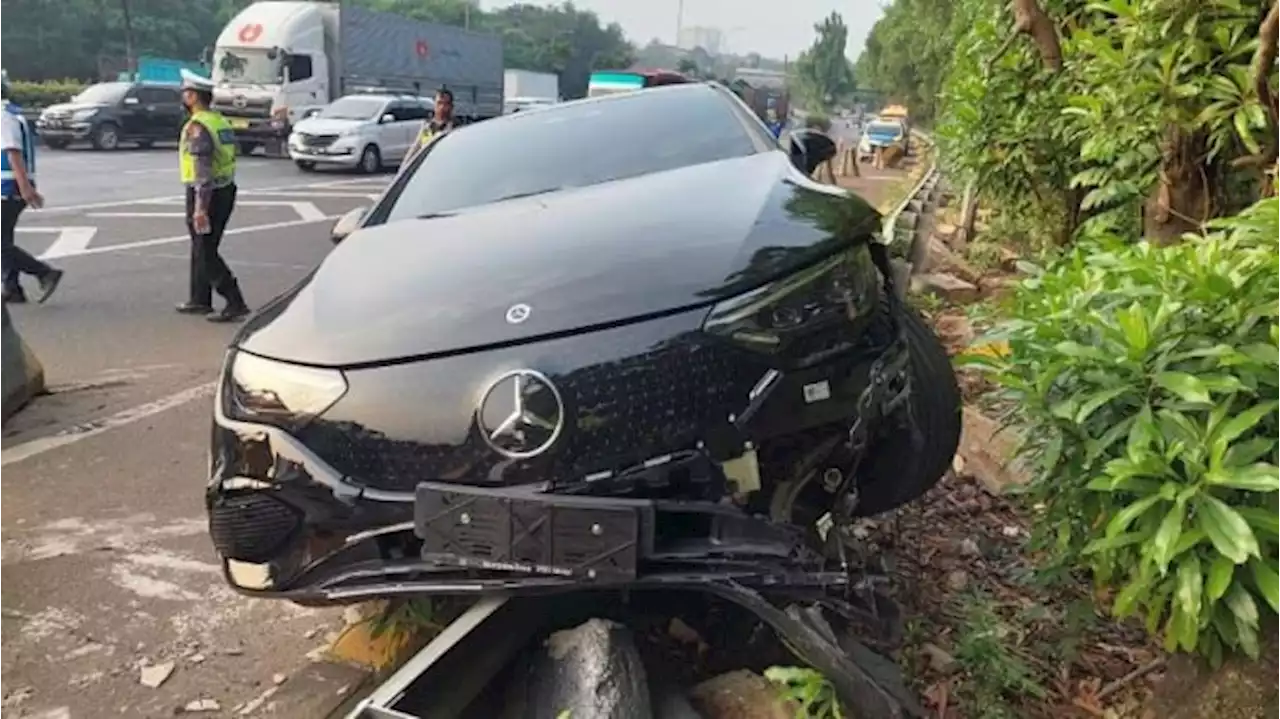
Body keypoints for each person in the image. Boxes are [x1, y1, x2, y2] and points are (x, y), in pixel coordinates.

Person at [175, 69, 249, 323]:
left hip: (207, 193)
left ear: (193, 97)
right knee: (202, 246)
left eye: (186, 92)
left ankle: (234, 300)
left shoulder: (198, 127)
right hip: (225, 189)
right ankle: (199, 299)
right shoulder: (219, 121)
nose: (183, 96)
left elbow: (202, 168)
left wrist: (200, 208)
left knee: (206, 249)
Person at [0, 69, 64, 304]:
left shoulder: (3, 116)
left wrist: (25, 187)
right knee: (4, 239)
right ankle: (12, 287)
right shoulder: (10, 113)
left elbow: (13, 153)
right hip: (10, 186)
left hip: (8, 188)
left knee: (1, 242)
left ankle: (43, 272)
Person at [406, 88, 457, 160]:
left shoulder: (456, 128)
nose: (442, 107)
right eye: (439, 103)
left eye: (446, 104)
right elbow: (415, 148)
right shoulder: (427, 126)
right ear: (434, 104)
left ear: (451, 106)